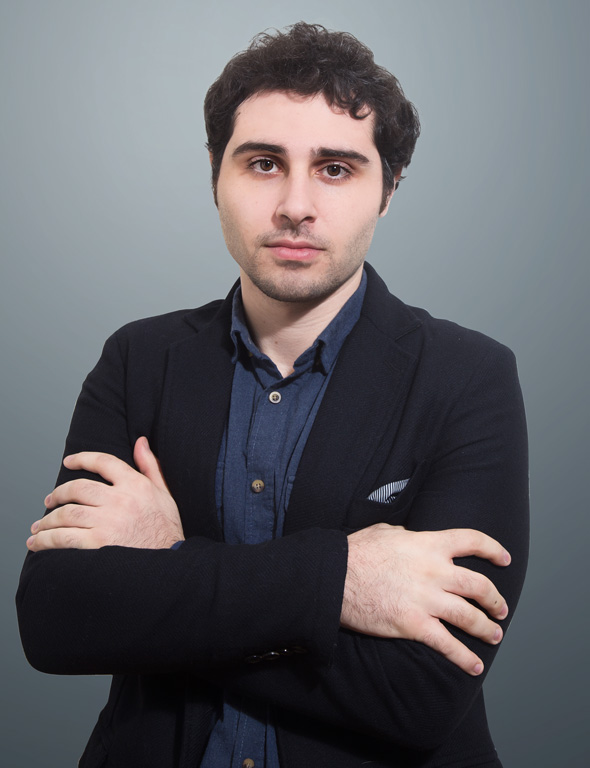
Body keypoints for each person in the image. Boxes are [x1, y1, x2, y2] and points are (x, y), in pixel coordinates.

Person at [16, 22, 528, 768]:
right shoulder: (138, 359)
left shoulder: (469, 377)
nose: (294, 204)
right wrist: (339, 581)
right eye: (263, 163)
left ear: (388, 190)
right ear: (215, 177)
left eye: (335, 169)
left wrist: (168, 563)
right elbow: (57, 620)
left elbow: (420, 693)